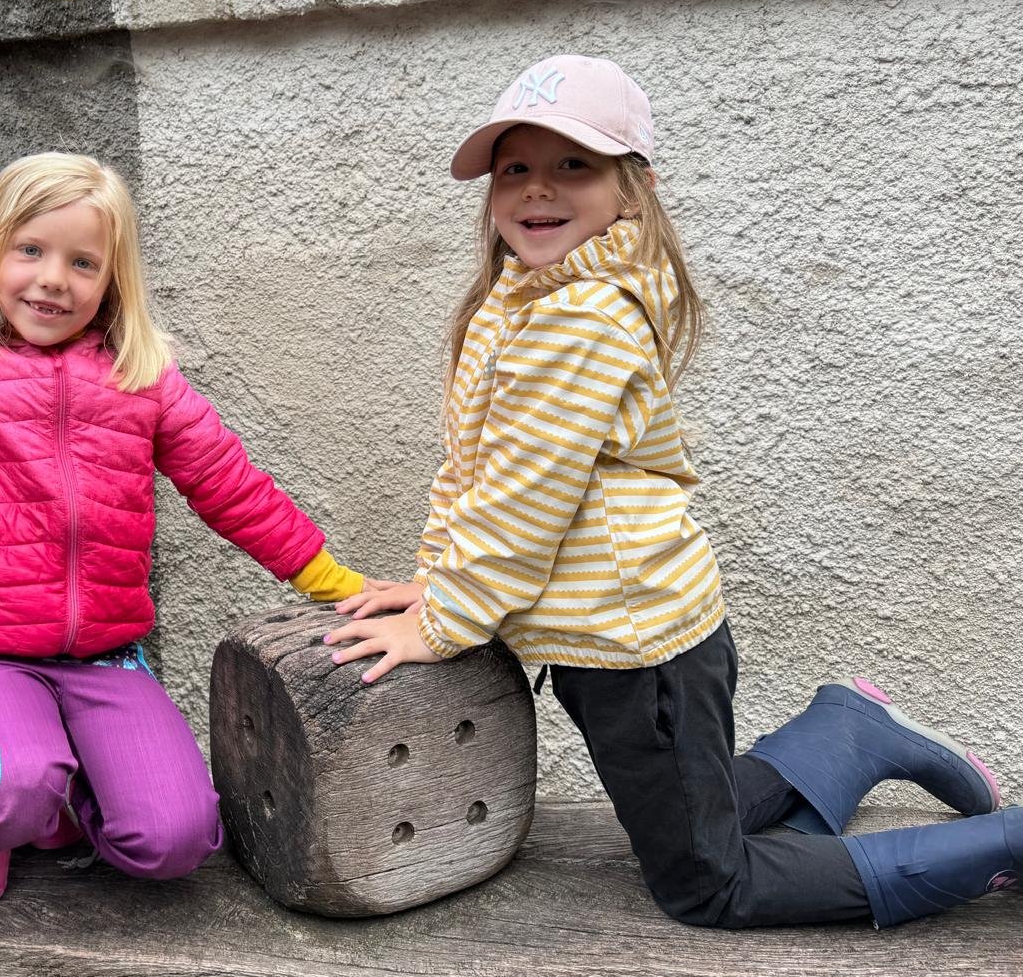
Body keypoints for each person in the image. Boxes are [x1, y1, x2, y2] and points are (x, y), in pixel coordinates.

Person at [324, 55, 1017, 929]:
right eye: (514, 168)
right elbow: (473, 469)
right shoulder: (521, 303)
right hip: (613, 639)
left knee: (707, 883)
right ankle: (847, 732)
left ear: (633, 190)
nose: (537, 188)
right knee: (693, 813)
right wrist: (435, 581)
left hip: (636, 647)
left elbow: (525, 504)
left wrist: (444, 620)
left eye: (573, 164)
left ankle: (1004, 841)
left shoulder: (578, 317)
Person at [0, 152, 367, 908]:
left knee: (176, 840)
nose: (52, 280)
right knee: (7, 790)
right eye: (28, 250)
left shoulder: (143, 379)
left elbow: (230, 485)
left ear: (111, 280)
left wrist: (330, 581)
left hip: (106, 661)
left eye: (82, 262)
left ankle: (62, 796)